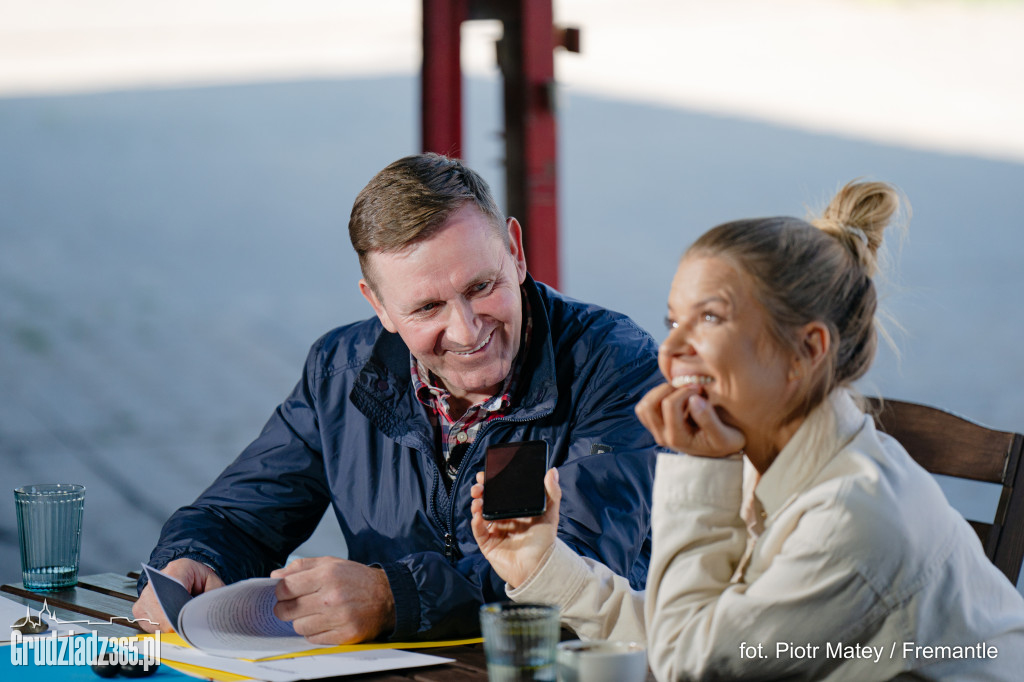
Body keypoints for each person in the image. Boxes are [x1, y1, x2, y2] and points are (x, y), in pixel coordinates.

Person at [471, 180, 1024, 680]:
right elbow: (692, 634)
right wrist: (542, 565)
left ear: (807, 350)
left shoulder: (851, 515)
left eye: (709, 318)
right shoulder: (765, 459)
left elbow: (693, 665)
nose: (670, 349)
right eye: (673, 321)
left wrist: (700, 472)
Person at [132, 153, 663, 643]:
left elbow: (578, 566)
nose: (466, 329)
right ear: (379, 306)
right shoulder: (341, 370)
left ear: (516, 254)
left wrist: (395, 598)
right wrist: (193, 560)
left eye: (481, 286)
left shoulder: (613, 364)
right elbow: (238, 518)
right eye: (428, 307)